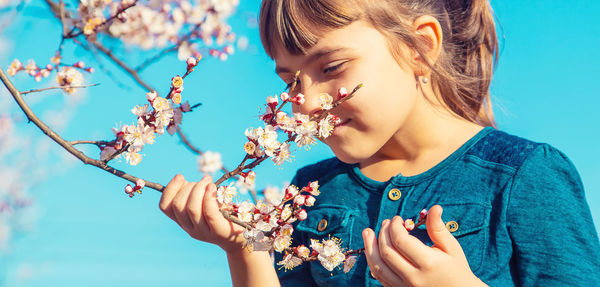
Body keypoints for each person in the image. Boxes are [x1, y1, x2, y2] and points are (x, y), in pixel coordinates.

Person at [158, 0, 600, 286]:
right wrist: (244, 245)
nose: (306, 102)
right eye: (290, 80)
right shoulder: (312, 190)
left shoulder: (525, 176)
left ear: (418, 48)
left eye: (331, 68)